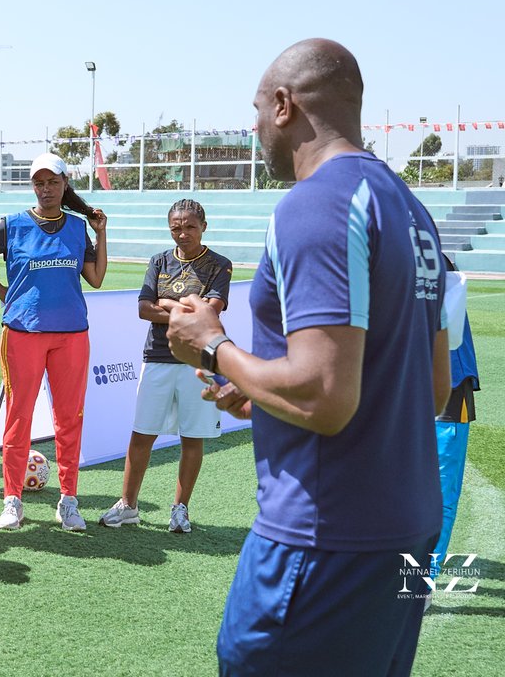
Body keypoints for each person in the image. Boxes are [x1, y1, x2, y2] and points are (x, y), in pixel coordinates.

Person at [167, 39, 447, 676]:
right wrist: (257, 386)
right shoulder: (411, 208)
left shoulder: (316, 202)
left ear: (286, 105)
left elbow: (323, 395)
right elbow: (427, 389)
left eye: (259, 110)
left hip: (325, 536)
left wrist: (214, 345)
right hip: (407, 529)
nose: (257, 127)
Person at [0, 154, 107, 533]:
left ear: (65, 184)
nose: (46, 189)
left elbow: (96, 278)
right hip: (23, 334)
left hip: (72, 336)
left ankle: (68, 501)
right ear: (32, 186)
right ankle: (12, 500)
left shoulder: (77, 229)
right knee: (19, 418)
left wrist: (101, 233)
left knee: (70, 420)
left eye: (52, 182)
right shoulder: (12, 225)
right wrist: (1, 291)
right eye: (39, 183)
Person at [100, 199, 232, 533]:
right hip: (157, 356)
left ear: (203, 226)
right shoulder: (159, 260)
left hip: (198, 361)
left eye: (189, 226)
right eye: (176, 227)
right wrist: (183, 309)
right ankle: (128, 505)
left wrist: (167, 303)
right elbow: (144, 308)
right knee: (142, 433)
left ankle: (180, 509)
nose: (183, 233)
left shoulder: (220, 264)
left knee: (192, 436)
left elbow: (209, 312)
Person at [431, 255, 479, 603]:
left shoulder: (431, 260)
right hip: (404, 386)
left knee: (440, 493)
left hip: (448, 385)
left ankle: (422, 579)